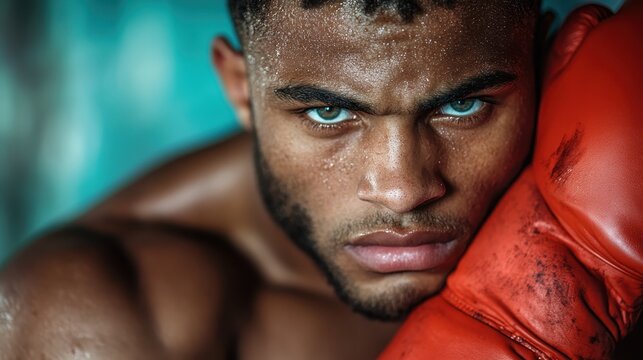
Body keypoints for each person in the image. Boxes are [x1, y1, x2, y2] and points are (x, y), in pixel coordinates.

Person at [0, 0, 632, 358]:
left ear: (541, 57)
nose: (403, 188)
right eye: (331, 113)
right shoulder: (103, 314)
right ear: (240, 89)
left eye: (461, 107)